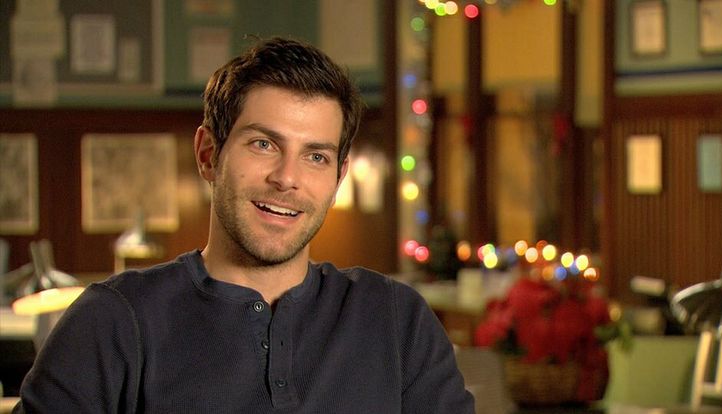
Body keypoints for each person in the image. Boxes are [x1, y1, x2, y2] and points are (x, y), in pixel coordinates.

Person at [14, 37, 475, 413]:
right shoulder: (114, 320)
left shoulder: (396, 320)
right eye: (263, 145)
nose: (287, 178)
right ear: (208, 155)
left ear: (338, 178)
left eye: (316, 156)